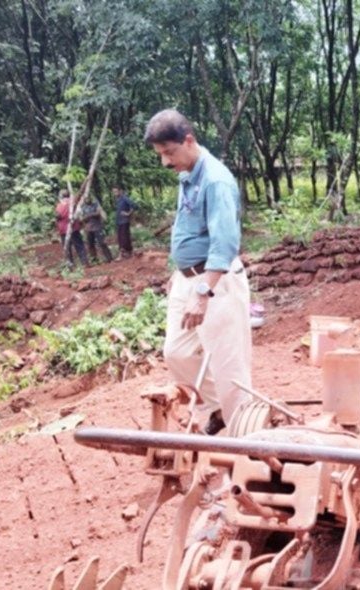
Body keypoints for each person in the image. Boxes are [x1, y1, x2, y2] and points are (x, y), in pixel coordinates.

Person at [144, 108, 251, 436]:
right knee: (177, 352)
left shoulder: (216, 180)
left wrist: (204, 292)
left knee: (228, 365)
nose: (165, 162)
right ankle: (219, 408)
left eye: (169, 152)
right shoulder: (187, 174)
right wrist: (180, 272)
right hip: (187, 278)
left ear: (188, 141)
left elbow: (225, 243)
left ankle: (245, 442)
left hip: (215, 282)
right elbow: (190, 228)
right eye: (160, 154)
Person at [55, 189, 90, 268]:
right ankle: (84, 262)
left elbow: (58, 216)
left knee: (67, 247)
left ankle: (70, 264)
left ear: (61, 196)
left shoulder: (60, 205)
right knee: (79, 246)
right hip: (74, 228)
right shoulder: (73, 202)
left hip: (64, 230)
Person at [78, 195, 114, 264]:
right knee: (90, 245)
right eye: (86, 199)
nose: (87, 200)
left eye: (88, 198)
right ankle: (94, 260)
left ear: (90, 199)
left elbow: (98, 213)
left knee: (102, 243)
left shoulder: (95, 205)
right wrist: (89, 216)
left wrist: (89, 215)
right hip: (88, 229)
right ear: (84, 200)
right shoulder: (82, 208)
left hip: (97, 227)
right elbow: (81, 219)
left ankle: (109, 258)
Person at [113, 185, 136, 258]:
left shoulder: (124, 198)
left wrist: (128, 213)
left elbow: (134, 205)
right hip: (119, 221)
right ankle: (129, 252)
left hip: (124, 221)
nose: (115, 193)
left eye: (116, 191)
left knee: (123, 238)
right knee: (122, 237)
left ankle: (121, 254)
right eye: (114, 192)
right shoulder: (117, 200)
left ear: (120, 191)